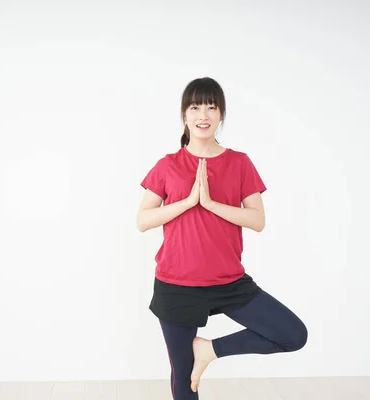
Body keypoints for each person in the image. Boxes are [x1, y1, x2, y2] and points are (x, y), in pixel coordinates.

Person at [136, 77, 308, 400]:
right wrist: (187, 202)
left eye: (211, 107)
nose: (204, 114)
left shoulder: (239, 163)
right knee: (184, 379)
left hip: (229, 282)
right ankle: (196, 359)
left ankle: (209, 350)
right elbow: (142, 220)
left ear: (221, 115)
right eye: (196, 106)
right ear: (184, 115)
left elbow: (257, 220)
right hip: (177, 284)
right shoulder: (167, 165)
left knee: (293, 334)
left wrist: (211, 204)